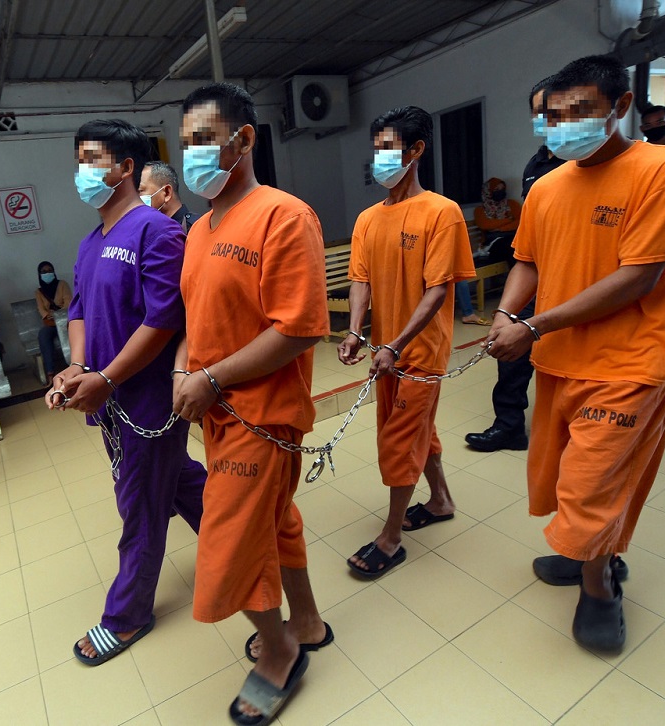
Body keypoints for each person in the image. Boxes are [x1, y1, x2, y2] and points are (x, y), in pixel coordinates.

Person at [485, 54, 665, 652]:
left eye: (580, 111)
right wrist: (509, 314)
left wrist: (531, 325)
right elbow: (527, 259)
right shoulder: (548, 186)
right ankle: (590, 548)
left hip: (630, 363)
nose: (564, 125)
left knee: (591, 485)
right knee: (564, 481)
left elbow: (640, 277)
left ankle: (600, 585)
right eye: (554, 115)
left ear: (621, 107)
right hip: (559, 361)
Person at [172, 82, 330, 726]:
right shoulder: (200, 229)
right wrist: (186, 367)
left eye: (205, 140)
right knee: (275, 520)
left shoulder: (284, 216)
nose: (194, 156)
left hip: (262, 414)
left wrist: (210, 381)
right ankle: (307, 621)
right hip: (216, 411)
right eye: (186, 144)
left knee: (230, 538)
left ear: (245, 140)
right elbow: (196, 319)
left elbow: (298, 327)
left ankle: (280, 651)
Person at [48, 119, 205, 668]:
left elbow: (164, 320)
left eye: (93, 160)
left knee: (139, 504)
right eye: (78, 160)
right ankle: (234, 537)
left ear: (125, 168)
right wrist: (74, 367)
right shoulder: (91, 242)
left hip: (148, 400)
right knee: (175, 477)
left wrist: (107, 377)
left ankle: (128, 613)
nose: (82, 172)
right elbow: (80, 310)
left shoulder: (157, 231)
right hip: (109, 400)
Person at [339, 105, 475, 580]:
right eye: (374, 149)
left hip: (418, 353)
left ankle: (391, 538)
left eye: (388, 149)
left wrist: (394, 343)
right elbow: (360, 280)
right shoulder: (367, 219)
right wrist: (357, 331)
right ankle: (439, 501)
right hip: (385, 352)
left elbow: (438, 290)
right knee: (419, 434)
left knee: (399, 441)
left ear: (416, 150)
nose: (379, 159)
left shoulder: (442, 212)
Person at [465, 80, 565, 453]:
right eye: (538, 113)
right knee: (510, 353)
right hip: (534, 274)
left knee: (565, 360)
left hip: (580, 281)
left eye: (554, 111)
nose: (545, 120)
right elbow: (529, 234)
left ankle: (568, 431)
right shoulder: (538, 163)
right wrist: (504, 313)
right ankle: (509, 426)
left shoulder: (590, 163)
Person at [138, 160, 201, 232]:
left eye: (140, 191)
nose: (136, 199)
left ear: (167, 192)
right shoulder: (149, 232)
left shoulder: (197, 228)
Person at [34, 261, 71, 379]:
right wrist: (49, 315)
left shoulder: (62, 284)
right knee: (43, 335)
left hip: (65, 321)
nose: (47, 273)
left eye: (50, 270)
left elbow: (69, 302)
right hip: (51, 324)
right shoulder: (38, 292)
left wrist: (57, 314)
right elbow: (41, 310)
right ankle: (50, 372)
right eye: (44, 272)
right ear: (39, 274)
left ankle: (75, 366)